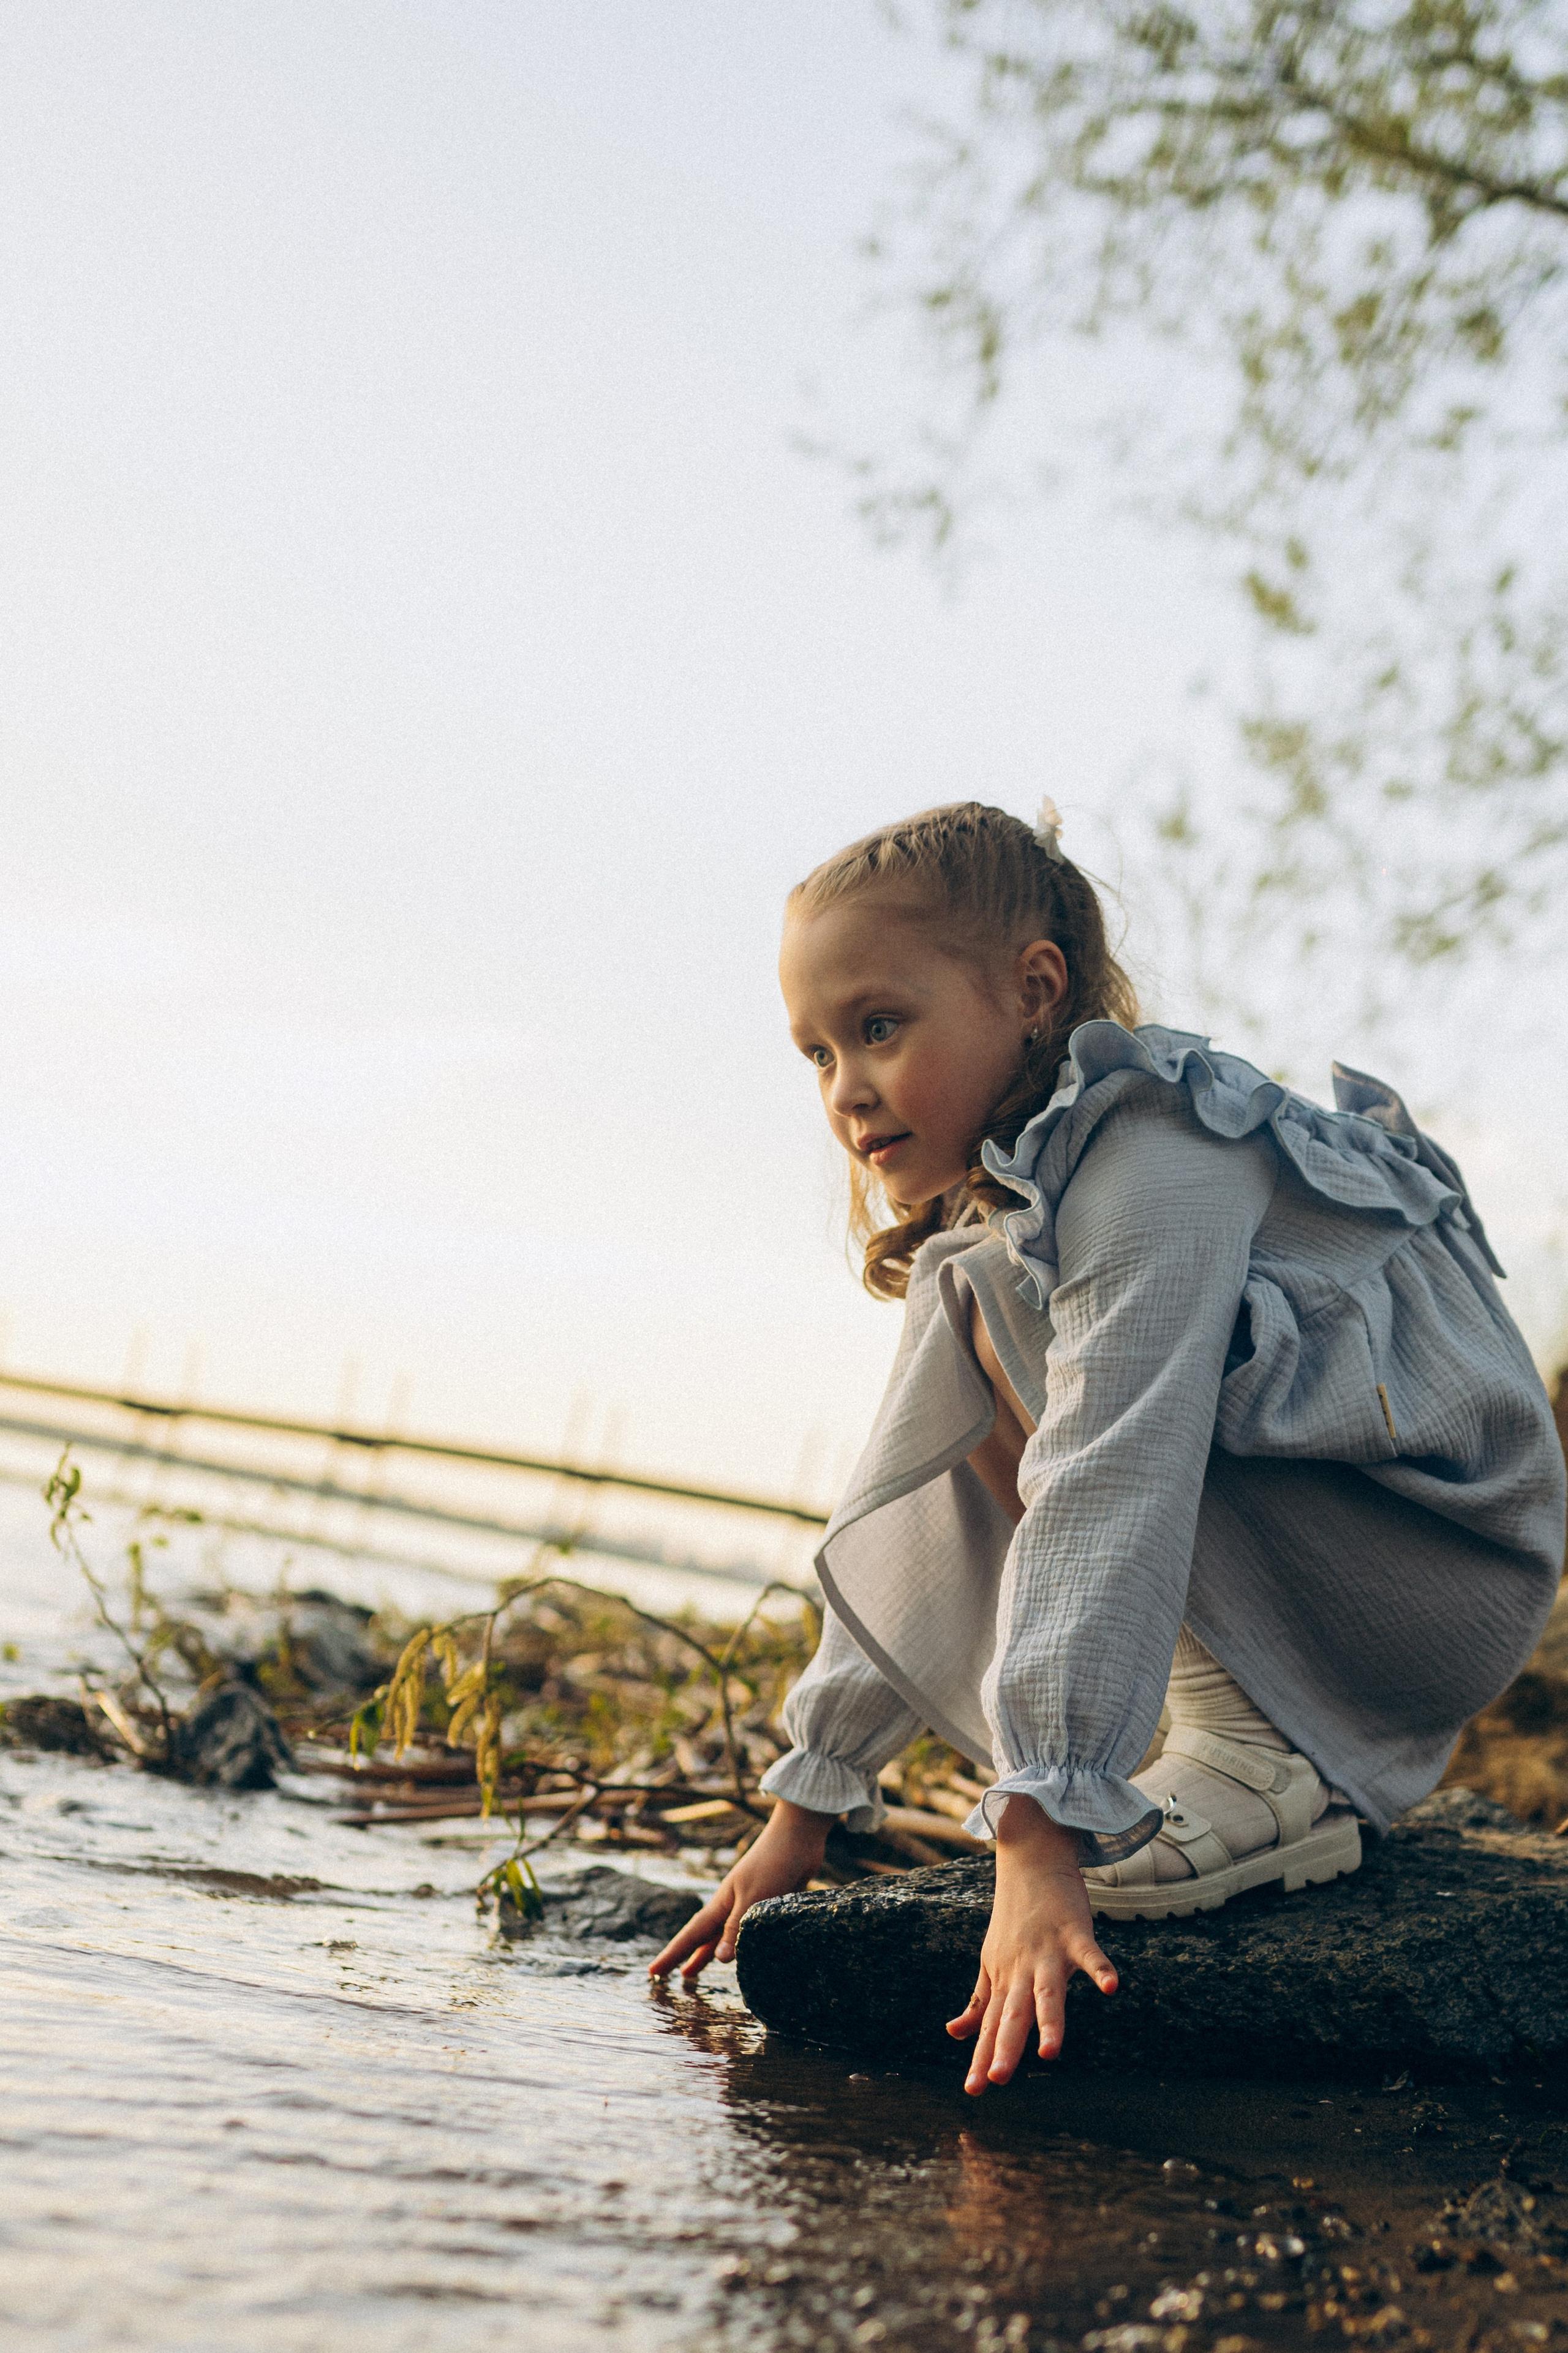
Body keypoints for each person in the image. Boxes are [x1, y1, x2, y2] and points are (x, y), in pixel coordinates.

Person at [650, 801, 1566, 2093]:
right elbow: (912, 1487)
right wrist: (808, 1802)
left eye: (877, 1027)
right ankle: (1198, 1726)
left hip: (1431, 1562)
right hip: (1339, 1558)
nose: (844, 1088)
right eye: (813, 1052)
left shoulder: (1150, 1155)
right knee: (971, 1306)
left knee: (1027, 1333)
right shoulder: (1000, 1226)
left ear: (1032, 991)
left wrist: (1039, 1827)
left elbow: (1107, 1466)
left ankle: (1252, 1750)